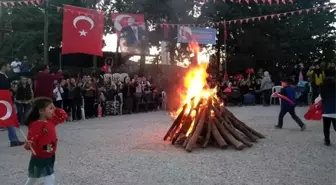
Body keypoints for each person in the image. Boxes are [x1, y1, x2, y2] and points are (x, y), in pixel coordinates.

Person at [23, 98, 67, 185]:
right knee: (50, 176)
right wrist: (28, 145)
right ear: (41, 111)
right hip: (41, 157)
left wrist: (55, 108)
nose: (53, 110)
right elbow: (30, 141)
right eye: (50, 108)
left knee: (33, 177)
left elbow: (64, 116)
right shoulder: (35, 125)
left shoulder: (51, 121)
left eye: (53, 108)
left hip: (50, 154)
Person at [0, 62, 25, 146]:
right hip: (4, 101)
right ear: (3, 67)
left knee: (10, 118)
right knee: (8, 118)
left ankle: (14, 139)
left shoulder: (4, 76)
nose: (10, 68)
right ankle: (13, 139)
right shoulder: (1, 77)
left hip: (5, 101)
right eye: (8, 66)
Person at [319, 77, 336, 146]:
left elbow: (320, 98)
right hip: (335, 110)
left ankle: (327, 140)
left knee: (326, 127)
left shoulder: (323, 88)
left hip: (326, 110)